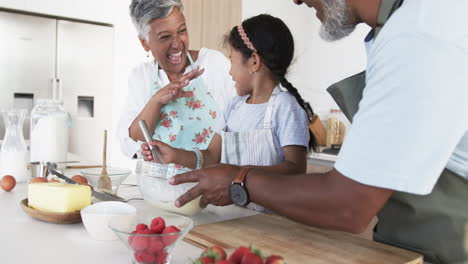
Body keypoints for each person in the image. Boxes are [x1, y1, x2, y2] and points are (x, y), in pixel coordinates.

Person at [168, 0, 468, 263]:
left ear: (254, 62)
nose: (296, 0)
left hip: (446, 245)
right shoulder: (400, 28)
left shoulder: (419, 33)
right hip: (410, 242)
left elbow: (350, 204)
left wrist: (238, 181)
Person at [142, 14, 316, 212]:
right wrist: (174, 155)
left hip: (271, 220)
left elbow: (295, 170)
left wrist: (236, 175)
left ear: (254, 62)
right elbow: (210, 157)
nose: (230, 72)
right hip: (234, 215)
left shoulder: (285, 106)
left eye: (232, 60)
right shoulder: (234, 107)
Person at [118, 0, 235, 159]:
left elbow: (241, 125)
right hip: (159, 183)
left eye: (182, 31)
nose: (177, 45)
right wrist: (157, 100)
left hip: (211, 181)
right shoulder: (141, 76)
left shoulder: (213, 64)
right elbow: (132, 141)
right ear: (145, 43)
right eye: (165, 37)